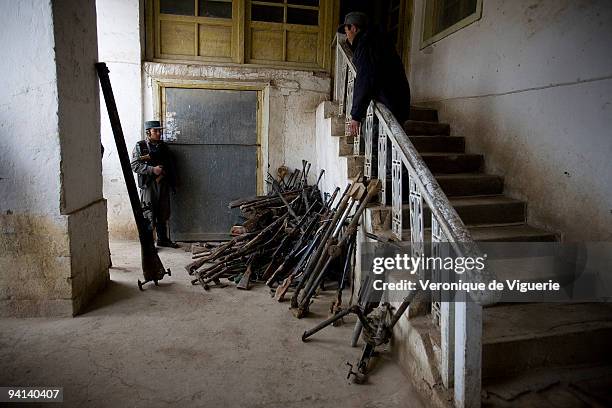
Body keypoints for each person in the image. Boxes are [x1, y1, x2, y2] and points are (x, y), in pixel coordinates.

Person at [338, 12, 411, 137]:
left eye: (347, 31)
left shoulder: (366, 45)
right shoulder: (379, 41)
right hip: (398, 102)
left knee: (378, 142)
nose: (346, 36)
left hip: (389, 103)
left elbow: (365, 79)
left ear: (354, 28)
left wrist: (356, 115)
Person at [131, 120, 179, 248]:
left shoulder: (163, 146)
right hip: (148, 186)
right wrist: (152, 170)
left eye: (159, 131)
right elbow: (134, 165)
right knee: (149, 214)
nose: (158, 133)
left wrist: (167, 175)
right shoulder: (140, 146)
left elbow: (170, 164)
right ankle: (148, 245)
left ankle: (162, 239)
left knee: (163, 212)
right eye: (155, 131)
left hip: (162, 183)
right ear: (148, 133)